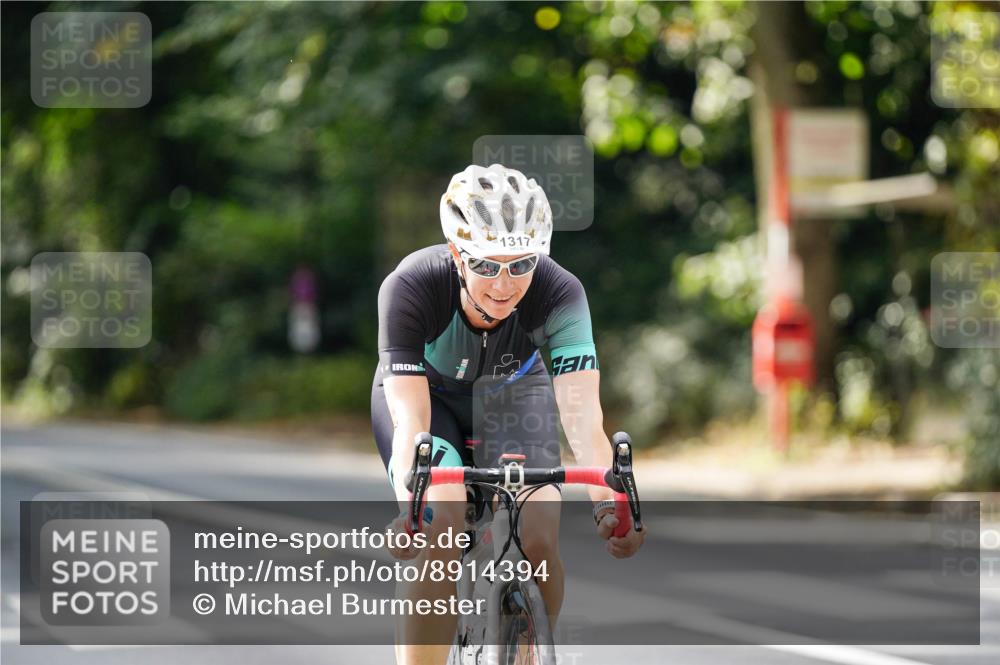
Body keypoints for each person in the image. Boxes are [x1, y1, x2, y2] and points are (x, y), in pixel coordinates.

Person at [372, 163, 644, 664]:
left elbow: (584, 421)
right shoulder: (412, 285)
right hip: (430, 399)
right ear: (457, 255)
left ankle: (528, 650)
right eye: (486, 265)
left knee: (538, 538)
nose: (504, 283)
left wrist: (611, 504)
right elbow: (411, 421)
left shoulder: (561, 293)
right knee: (444, 522)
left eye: (521, 265)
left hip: (515, 393)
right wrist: (415, 502)